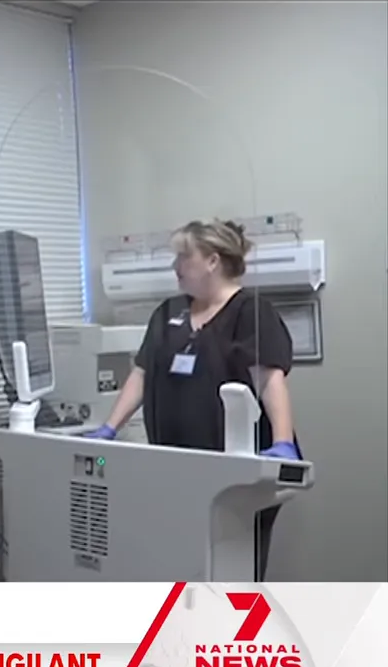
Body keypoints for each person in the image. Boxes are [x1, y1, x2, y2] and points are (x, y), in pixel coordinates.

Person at [85, 218, 300, 580]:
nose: (175, 266)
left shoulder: (250, 312)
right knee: (183, 570)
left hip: (236, 477)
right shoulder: (169, 312)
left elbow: (269, 380)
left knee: (230, 572)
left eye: (184, 257)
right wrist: (109, 428)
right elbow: (142, 374)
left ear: (213, 261)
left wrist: (282, 442)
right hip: (180, 469)